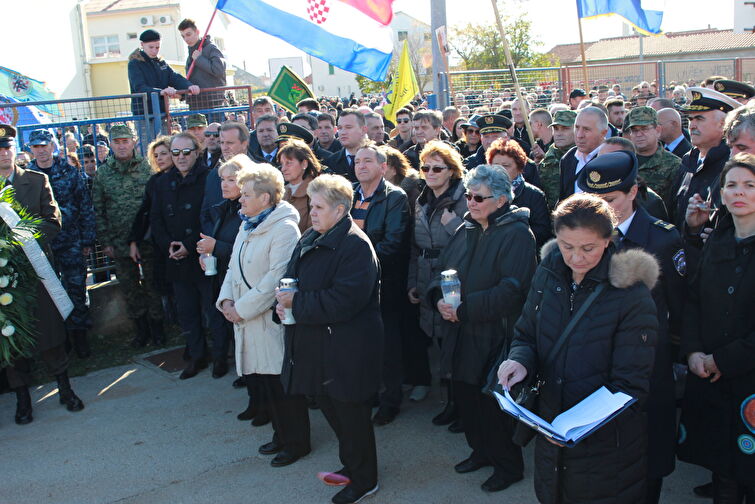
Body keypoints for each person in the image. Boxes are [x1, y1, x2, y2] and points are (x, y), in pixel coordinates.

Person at [498, 193, 659, 504]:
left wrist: (575, 428)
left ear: (608, 241)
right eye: (566, 246)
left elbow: (631, 385)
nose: (576, 258)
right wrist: (519, 362)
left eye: (588, 248)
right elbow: (526, 333)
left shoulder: (631, 295)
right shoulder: (548, 272)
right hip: (550, 428)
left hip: (606, 447)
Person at [577, 151, 685, 503]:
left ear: (634, 192)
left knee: (647, 459)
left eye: (610, 200)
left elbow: (681, 307)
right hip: (595, 364)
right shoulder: (583, 237)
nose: (602, 210)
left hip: (646, 367)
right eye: (594, 201)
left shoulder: (662, 239)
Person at [275, 174, 382, 504]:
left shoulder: (355, 246)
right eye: (310, 204)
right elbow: (292, 275)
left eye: (319, 206)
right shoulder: (312, 235)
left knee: (351, 414)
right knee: (332, 409)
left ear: (340, 210)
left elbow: (344, 301)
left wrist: (298, 303)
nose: (313, 212)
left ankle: (365, 479)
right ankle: (351, 464)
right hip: (317, 343)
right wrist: (283, 301)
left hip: (347, 349)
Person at [433, 164, 536, 493]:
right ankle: (481, 452)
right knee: (467, 400)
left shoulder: (518, 234)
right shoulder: (467, 229)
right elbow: (443, 270)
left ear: (502, 200)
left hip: (496, 334)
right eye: (468, 195)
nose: (471, 201)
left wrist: (463, 310)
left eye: (479, 197)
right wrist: (438, 299)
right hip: (463, 330)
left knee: (492, 407)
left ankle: (508, 466)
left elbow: (512, 290)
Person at [217, 162, 307, 466]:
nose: (240, 200)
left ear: (266, 199)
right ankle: (280, 435)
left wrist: (240, 310)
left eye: (246, 195)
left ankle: (296, 442)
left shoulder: (284, 229)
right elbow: (232, 268)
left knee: (283, 385)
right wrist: (227, 301)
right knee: (266, 384)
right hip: (246, 318)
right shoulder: (247, 223)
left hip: (267, 319)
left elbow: (275, 280)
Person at [678, 154, 755, 503]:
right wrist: (693, 352)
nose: (739, 192)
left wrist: (720, 360)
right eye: (732, 185)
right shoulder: (717, 240)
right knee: (722, 466)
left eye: (750, 185)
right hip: (710, 374)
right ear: (721, 194)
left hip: (745, 377)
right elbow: (693, 300)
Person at [0, 124, 85, 425]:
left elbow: (53, 221)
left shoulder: (36, 181)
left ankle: (65, 388)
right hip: (4, 277)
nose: (3, 154)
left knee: (50, 332)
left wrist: (21, 238)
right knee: (12, 336)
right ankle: (23, 399)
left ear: (14, 150)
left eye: (7, 148)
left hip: (36, 271)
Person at [409, 141, 468, 427]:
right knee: (436, 338)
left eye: (437, 168)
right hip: (424, 272)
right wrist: (413, 282)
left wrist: (451, 222)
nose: (430, 173)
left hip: (450, 277)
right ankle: (449, 401)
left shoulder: (464, 199)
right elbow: (413, 246)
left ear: (451, 171)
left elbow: (469, 239)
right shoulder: (421, 199)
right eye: (425, 167)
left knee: (453, 343)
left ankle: (460, 406)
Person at [351, 143, 410, 426]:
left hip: (383, 281)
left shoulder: (395, 197)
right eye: (357, 161)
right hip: (354, 283)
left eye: (367, 161)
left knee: (388, 343)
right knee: (362, 342)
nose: (360, 166)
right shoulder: (349, 194)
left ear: (382, 167)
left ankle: (391, 399)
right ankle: (371, 391)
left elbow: (393, 243)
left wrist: (358, 265)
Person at [26, 129, 96, 358]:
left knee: (76, 289)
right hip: (43, 247)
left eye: (45, 145)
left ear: (53, 146)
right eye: (36, 147)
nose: (42, 150)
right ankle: (61, 341)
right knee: (51, 294)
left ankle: (80, 338)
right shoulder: (28, 176)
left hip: (71, 242)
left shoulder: (69, 172)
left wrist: (87, 240)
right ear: (31, 149)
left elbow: (85, 206)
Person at [92, 124, 165, 346]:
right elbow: (99, 209)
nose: (122, 146)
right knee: (129, 287)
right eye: (117, 142)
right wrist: (105, 242)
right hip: (119, 242)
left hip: (148, 240)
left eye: (125, 141)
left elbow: (158, 204)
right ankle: (141, 330)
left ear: (134, 142)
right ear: (110, 144)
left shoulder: (148, 168)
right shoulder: (103, 173)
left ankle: (158, 329)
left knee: (153, 284)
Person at [150, 132, 214, 379]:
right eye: (175, 153)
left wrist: (189, 244)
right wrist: (170, 245)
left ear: (197, 152)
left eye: (186, 152)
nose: (181, 157)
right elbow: (156, 219)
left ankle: (220, 356)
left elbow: (209, 218)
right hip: (175, 256)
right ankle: (197, 356)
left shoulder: (208, 178)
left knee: (212, 309)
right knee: (186, 312)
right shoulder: (163, 182)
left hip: (201, 254)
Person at [668, 87, 740, 230]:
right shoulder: (689, 160)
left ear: (723, 124)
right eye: (690, 119)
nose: (692, 125)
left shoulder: (731, 165)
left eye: (699, 119)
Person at [127, 135, 175, 346]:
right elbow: (144, 213)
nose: (161, 158)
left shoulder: (183, 178)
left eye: (164, 153)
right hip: (160, 245)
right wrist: (133, 241)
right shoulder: (154, 182)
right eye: (156, 155)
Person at [127, 29, 199, 136]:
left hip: (162, 112)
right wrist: (161, 92)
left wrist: (189, 86)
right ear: (142, 45)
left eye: (157, 47)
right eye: (151, 47)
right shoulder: (134, 64)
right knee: (148, 146)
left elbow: (174, 77)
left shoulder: (161, 62)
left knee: (165, 145)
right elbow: (139, 87)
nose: (154, 51)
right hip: (144, 114)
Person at [487, 138, 552, 249]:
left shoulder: (534, 196)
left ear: (519, 168)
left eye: (506, 166)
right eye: (496, 165)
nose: (499, 170)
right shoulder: (483, 194)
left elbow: (542, 233)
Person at [623, 107, 681, 202]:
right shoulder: (625, 161)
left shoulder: (674, 165)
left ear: (657, 130)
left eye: (644, 129)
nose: (639, 134)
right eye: (634, 130)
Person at [178, 18, 226, 118]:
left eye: (188, 34)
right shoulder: (190, 53)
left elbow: (219, 70)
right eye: (183, 36)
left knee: (214, 132)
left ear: (197, 32)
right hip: (195, 104)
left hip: (213, 103)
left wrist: (199, 59)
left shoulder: (211, 48)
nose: (186, 39)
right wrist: (183, 93)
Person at [558, 107, 608, 202]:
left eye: (586, 129)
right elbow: (563, 198)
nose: (579, 135)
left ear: (603, 133)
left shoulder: (611, 160)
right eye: (577, 127)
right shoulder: (568, 158)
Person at [279, 138, 322, 233]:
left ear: (304, 164)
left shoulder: (316, 192)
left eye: (289, 163)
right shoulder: (281, 192)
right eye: (282, 164)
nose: (283, 169)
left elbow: (314, 231)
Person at [539, 110, 577, 210]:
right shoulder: (549, 156)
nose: (559, 134)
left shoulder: (582, 156)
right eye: (556, 129)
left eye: (565, 128)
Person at [323, 109, 368, 182]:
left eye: (348, 127)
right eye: (340, 128)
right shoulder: (330, 162)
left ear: (363, 130)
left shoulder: (378, 158)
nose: (343, 132)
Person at [383, 146, 421, 213]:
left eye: (384, 166)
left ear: (394, 170)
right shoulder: (372, 192)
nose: (378, 169)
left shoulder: (411, 196)